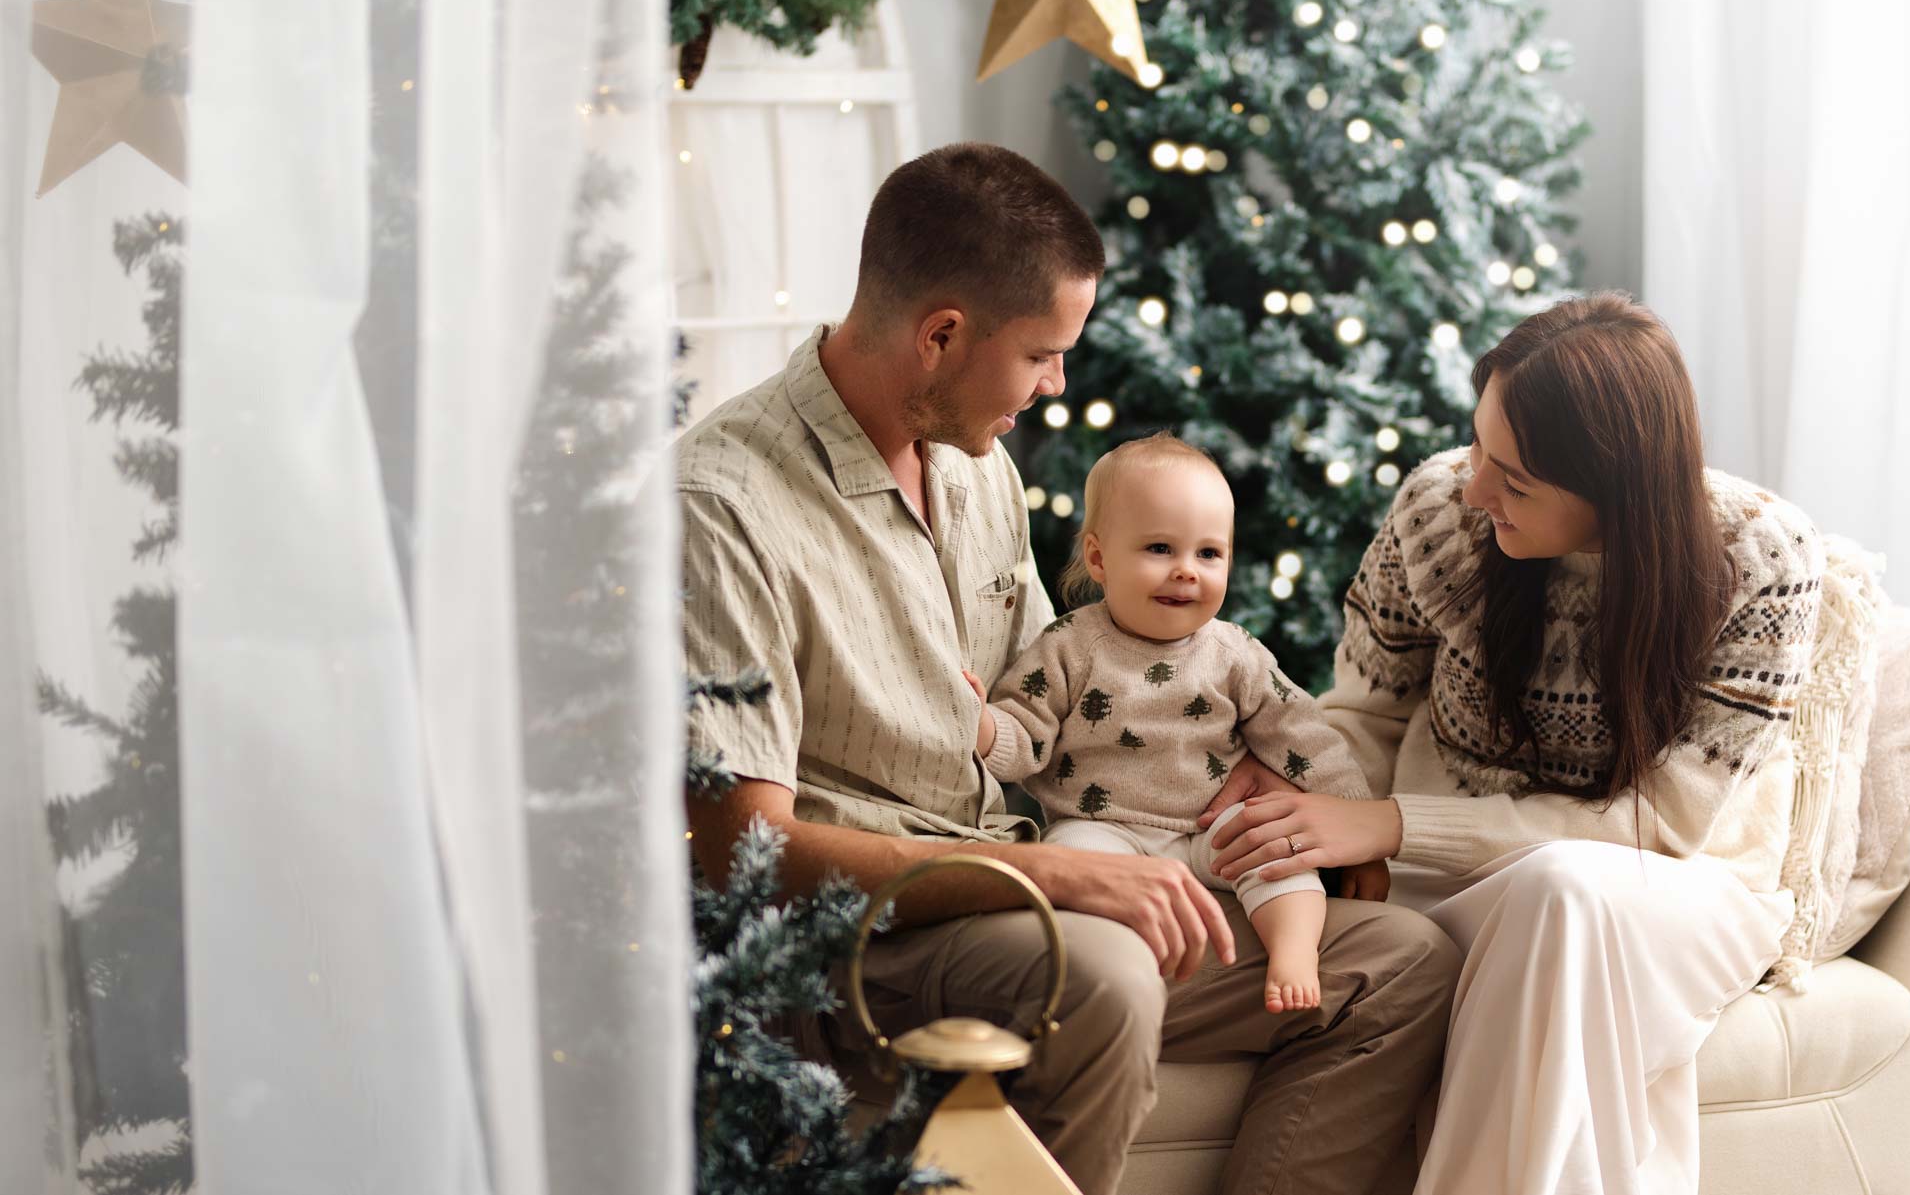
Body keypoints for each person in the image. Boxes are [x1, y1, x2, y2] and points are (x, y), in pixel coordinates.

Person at [680, 142, 1460, 1195]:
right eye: (1043, 354)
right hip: (865, 942)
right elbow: (741, 851)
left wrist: (1237, 778)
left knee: (1401, 962)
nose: (1056, 386)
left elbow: (1067, 695)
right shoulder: (725, 506)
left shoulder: (979, 466)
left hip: (1029, 886)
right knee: (1100, 973)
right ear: (943, 335)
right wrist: (1048, 874)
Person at [1200, 291, 1820, 1193]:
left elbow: (1668, 824)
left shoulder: (1763, 559)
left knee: (1561, 890)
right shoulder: (1439, 510)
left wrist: (1394, 824)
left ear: (1617, 488)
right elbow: (1363, 716)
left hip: (1681, 885)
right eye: (1480, 445)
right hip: (1451, 881)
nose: (1475, 487)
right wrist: (1307, 788)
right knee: (1546, 898)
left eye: (1515, 478)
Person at [967, 432, 1390, 1014]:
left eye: (1208, 554)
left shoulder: (1235, 654)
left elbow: (1306, 739)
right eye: (1160, 549)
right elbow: (1026, 733)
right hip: (1105, 828)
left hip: (1211, 829)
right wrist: (984, 729)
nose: (1186, 572)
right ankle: (1119, 977)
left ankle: (1293, 953)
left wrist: (1360, 843)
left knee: (1275, 849)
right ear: (1098, 558)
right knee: (1073, 863)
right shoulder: (1069, 646)